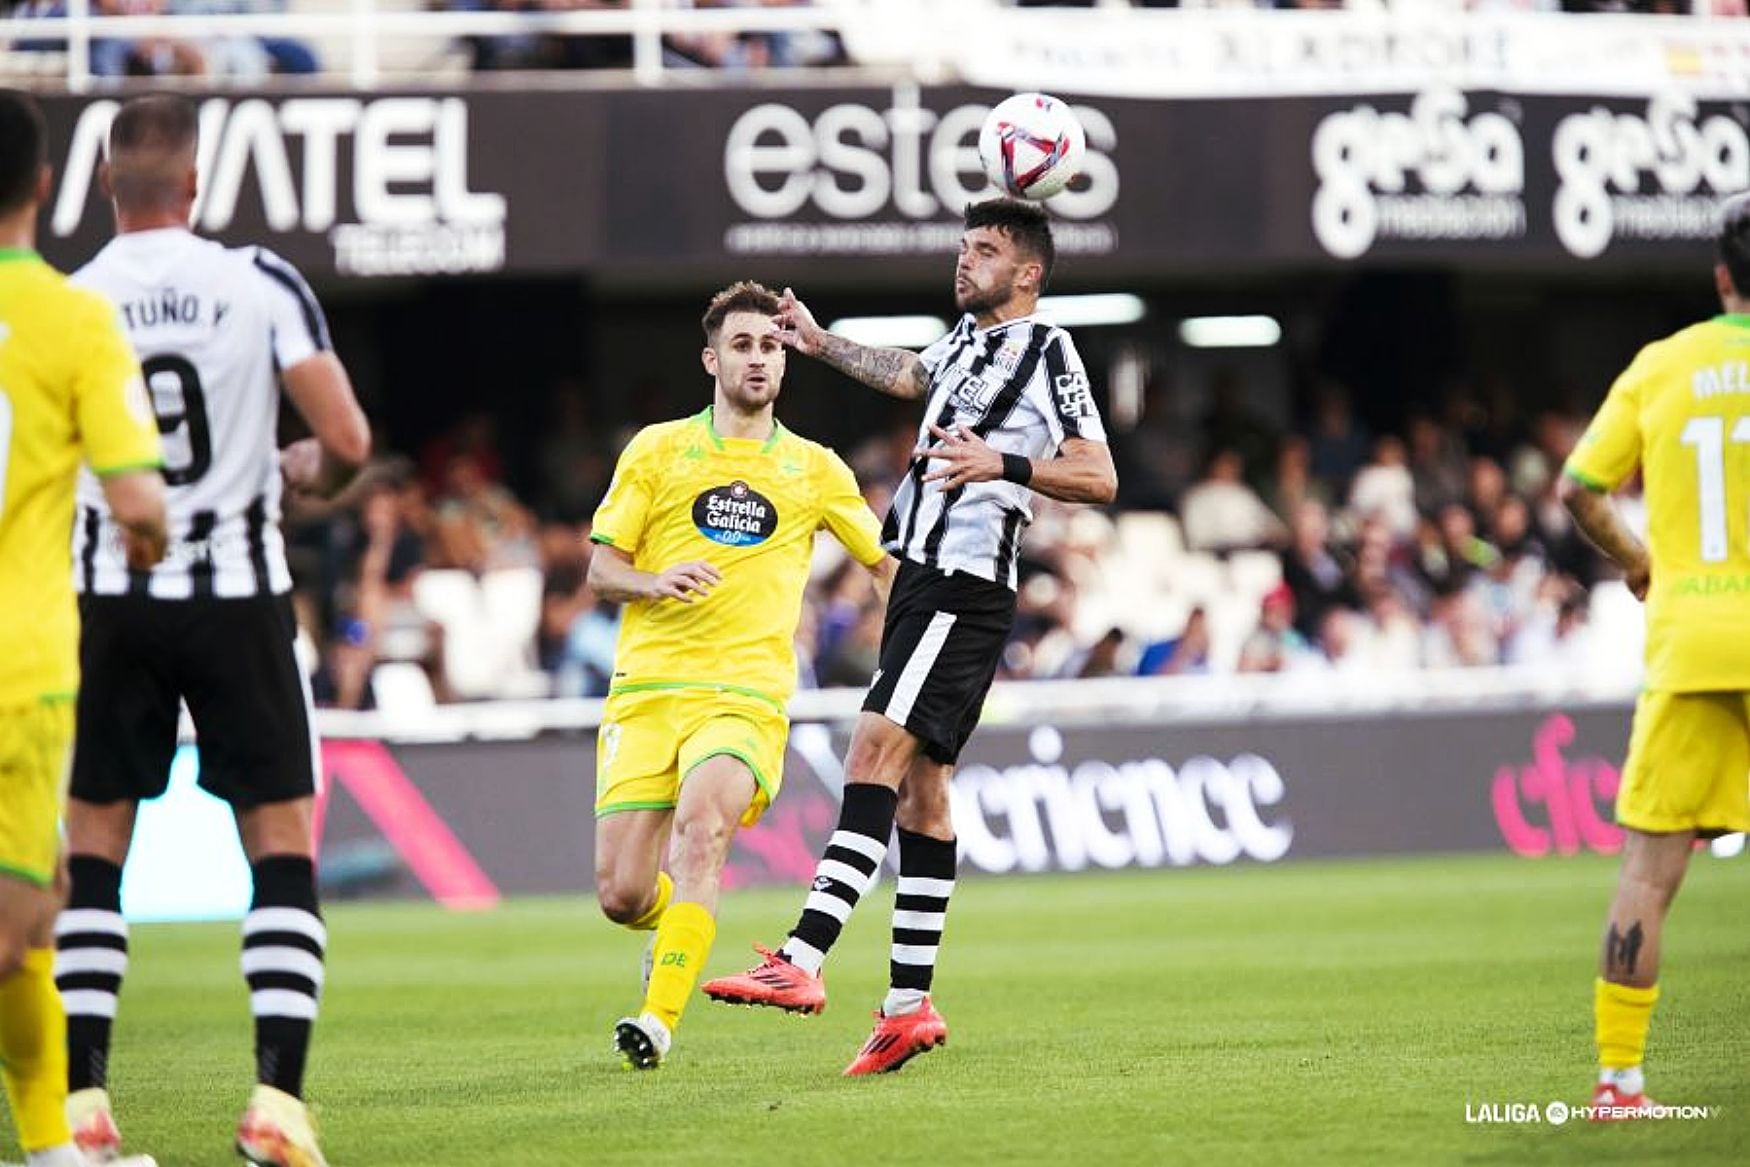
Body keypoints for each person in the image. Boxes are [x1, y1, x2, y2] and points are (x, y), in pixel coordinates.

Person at [703, 198, 1117, 1074]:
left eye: (986, 251)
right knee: (924, 788)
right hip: (921, 582)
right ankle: (906, 1007)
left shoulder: (1050, 350)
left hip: (963, 587)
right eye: (964, 246)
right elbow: (910, 375)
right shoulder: (965, 344)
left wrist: (1001, 463)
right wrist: (818, 344)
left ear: (1029, 274)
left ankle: (802, 958)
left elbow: (1099, 472)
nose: (964, 261)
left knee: (872, 748)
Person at [53, 94, 370, 1167]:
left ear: (103, 187)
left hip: (109, 595)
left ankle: (84, 1110)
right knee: (279, 847)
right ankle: (276, 1110)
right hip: (239, 595)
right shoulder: (256, 282)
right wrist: (304, 474)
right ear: (196, 185)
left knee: (93, 854)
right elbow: (347, 439)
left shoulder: (73, 299)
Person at [588, 280, 893, 1070]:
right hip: (648, 689)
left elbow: (885, 567)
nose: (758, 358)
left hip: (745, 694)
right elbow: (600, 568)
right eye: (743, 345)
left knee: (702, 830)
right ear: (711, 358)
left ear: (786, 361)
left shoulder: (815, 469)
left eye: (771, 346)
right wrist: (650, 582)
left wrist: (919, 645)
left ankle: (657, 1018)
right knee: (622, 894)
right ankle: (675, 927)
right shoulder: (657, 450)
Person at [1557, 190, 1750, 1118]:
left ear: (1721, 276)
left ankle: (1619, 1080)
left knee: (1646, 875)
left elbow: (1580, 488)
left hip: (1693, 638)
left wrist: (1639, 562)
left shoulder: (1663, 365)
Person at [0, 88, 166, 1167]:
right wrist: (144, 543)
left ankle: (54, 1143)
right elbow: (139, 502)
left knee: (38, 918)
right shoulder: (72, 317)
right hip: (19, 667)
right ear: (46, 185)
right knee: (19, 912)